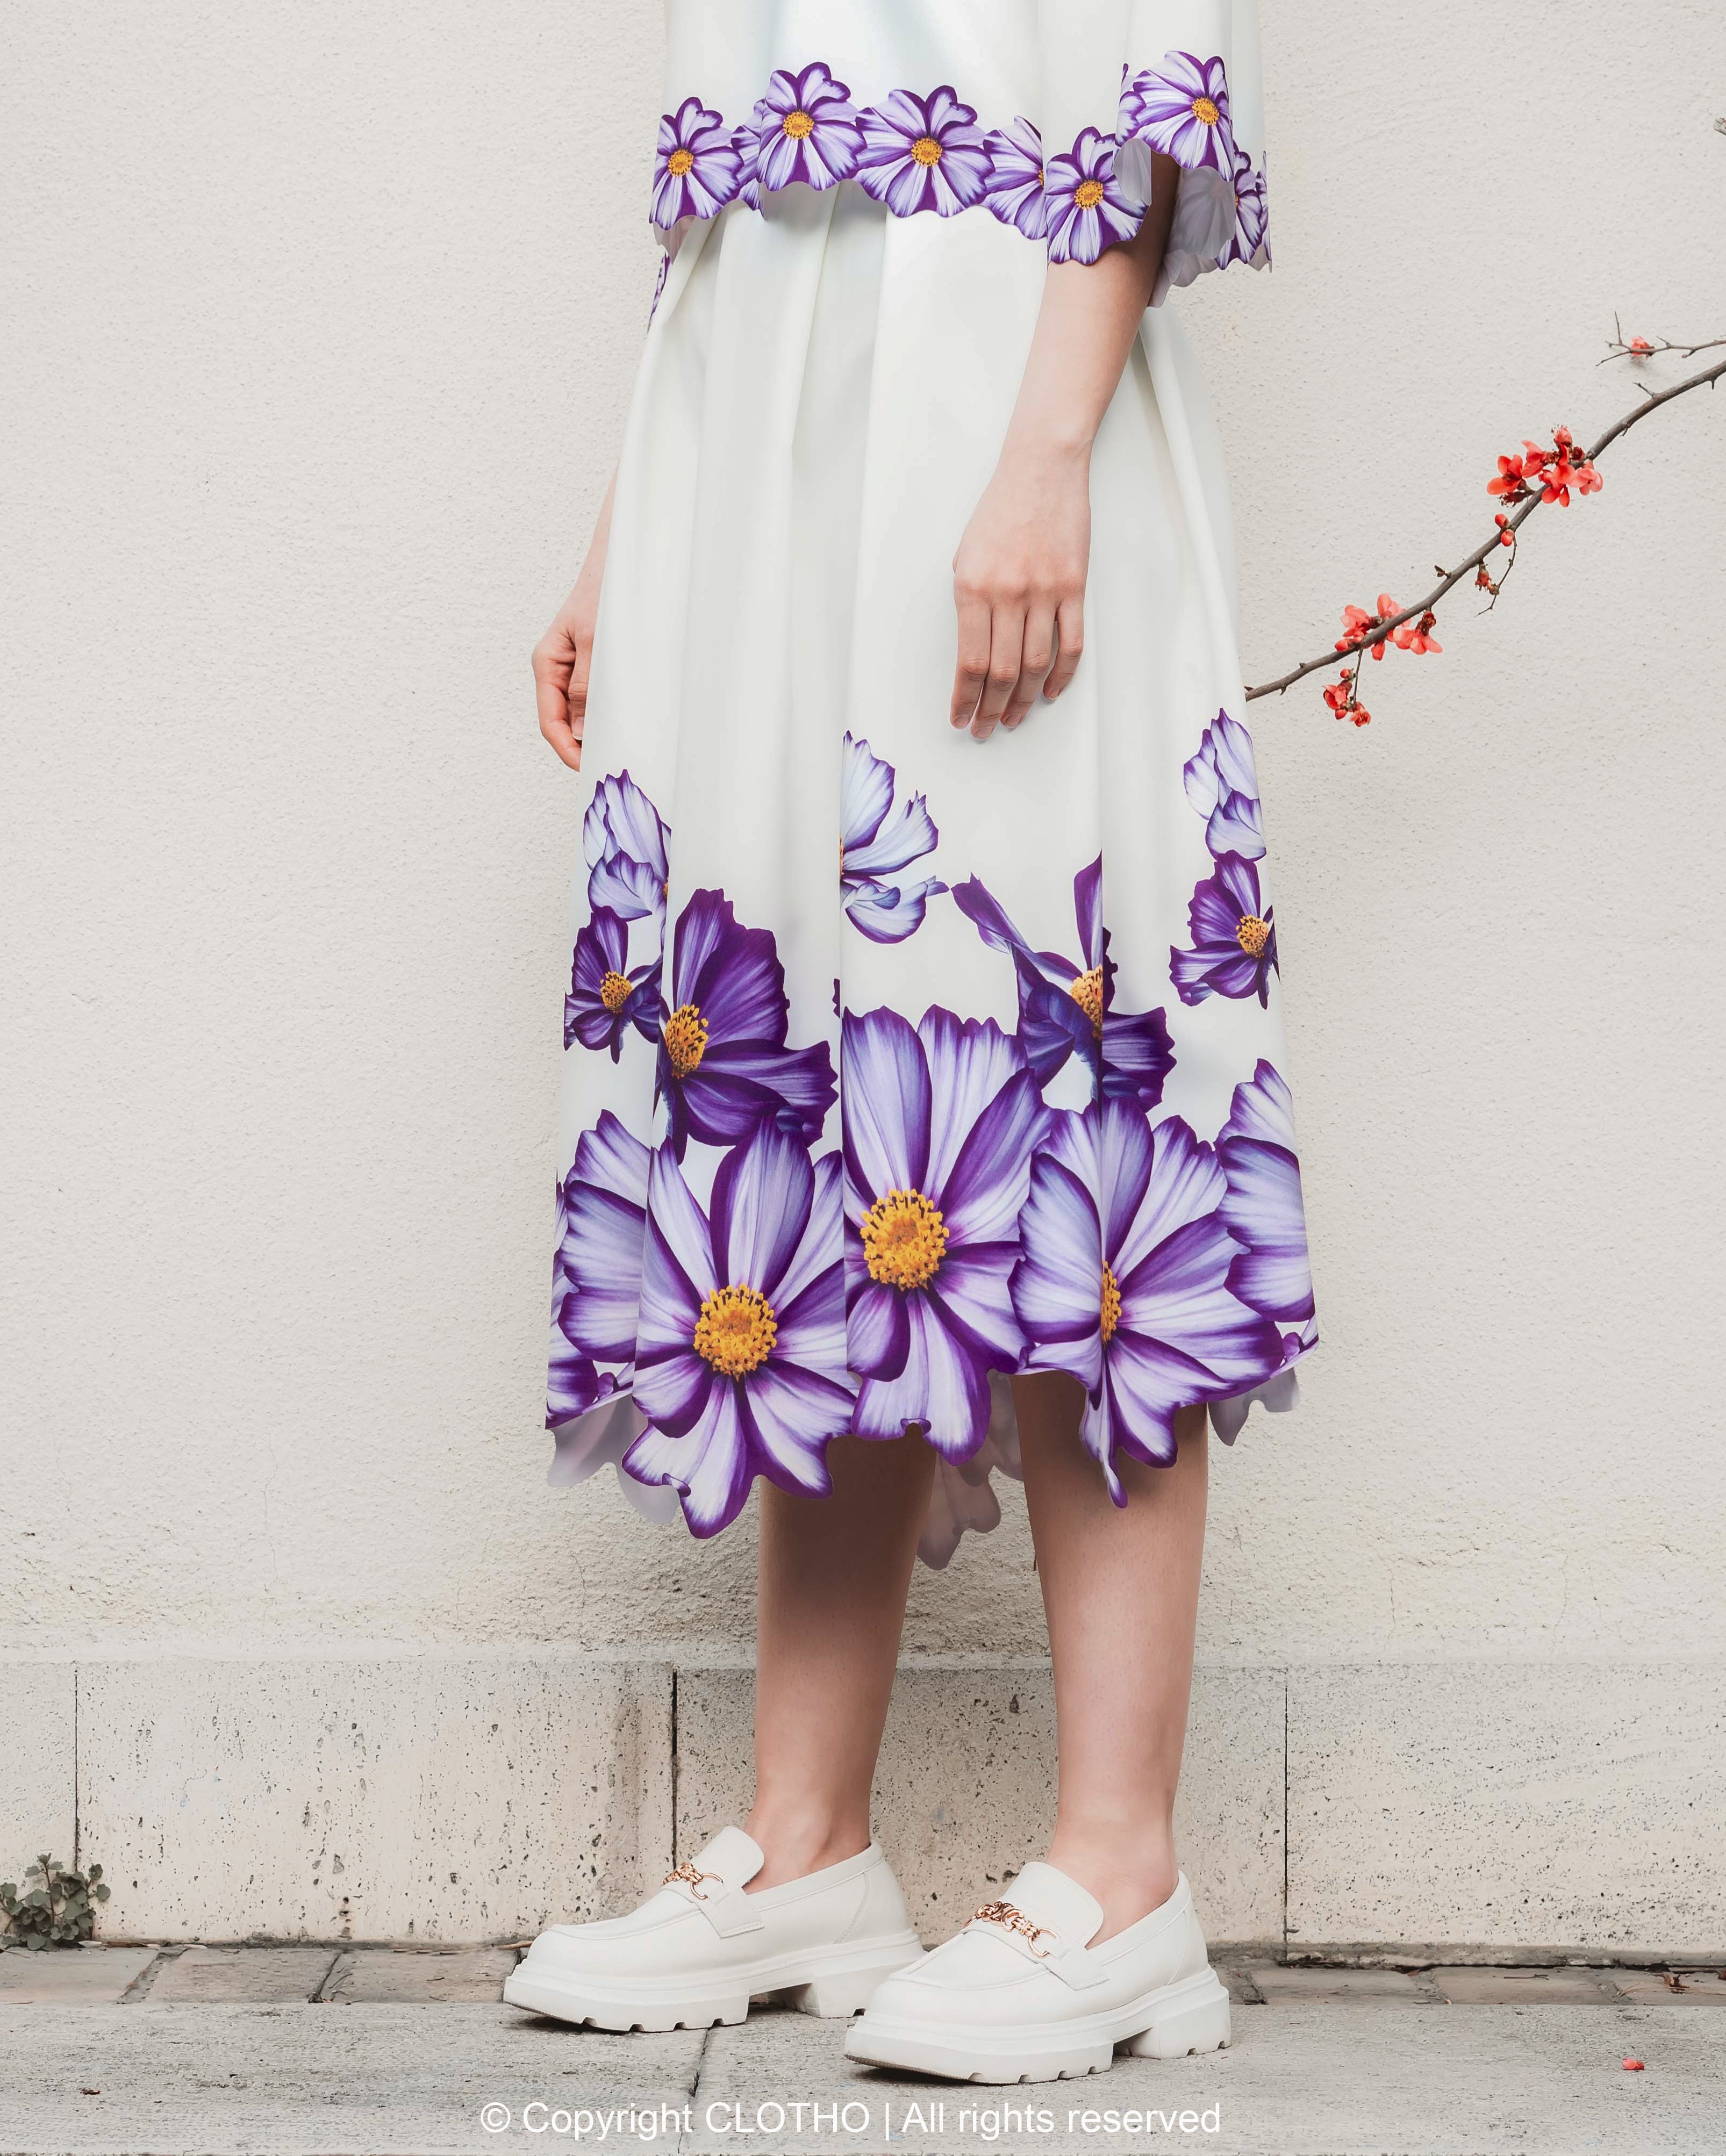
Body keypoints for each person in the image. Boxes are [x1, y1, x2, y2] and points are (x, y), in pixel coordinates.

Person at [507, 0, 1315, 2086]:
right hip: (761, 439)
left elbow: (1141, 74)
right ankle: (803, 1838)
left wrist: (1047, 442)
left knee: (1053, 1071)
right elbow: (748, 160)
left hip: (993, 391)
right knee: (811, 1112)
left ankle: (1120, 1872)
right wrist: (634, 514)